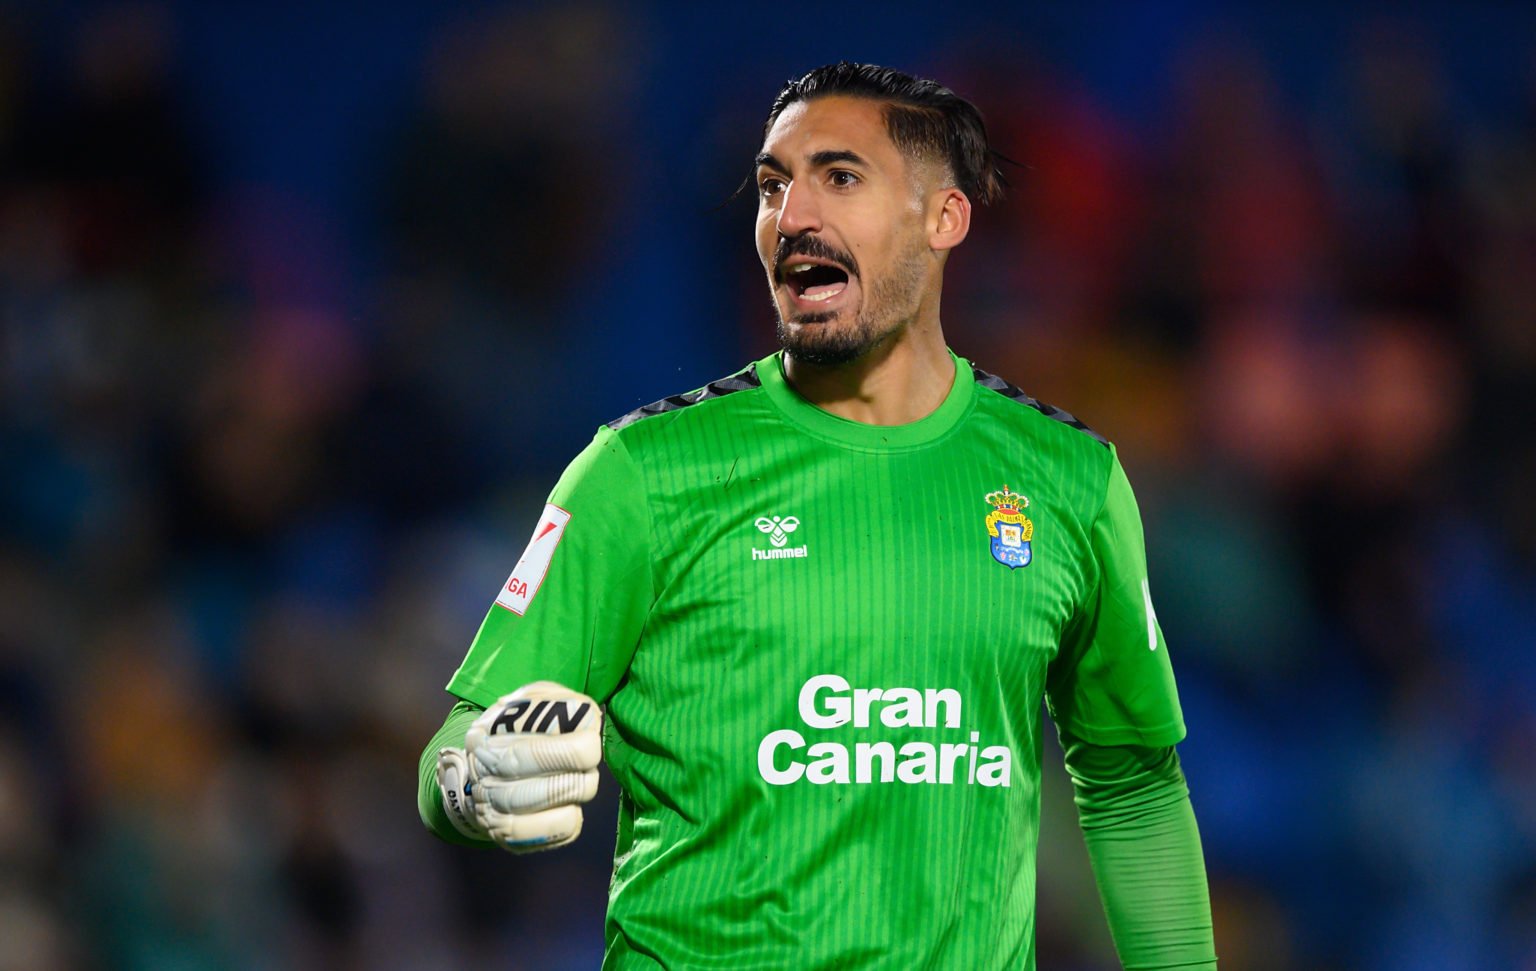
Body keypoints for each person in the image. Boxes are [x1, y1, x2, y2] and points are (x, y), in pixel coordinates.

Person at [418, 62, 1217, 970]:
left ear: (944, 217)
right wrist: (466, 779)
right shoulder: (640, 473)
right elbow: (459, 744)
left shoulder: (1071, 481)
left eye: (840, 177)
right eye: (771, 184)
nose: (791, 216)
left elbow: (1131, 786)